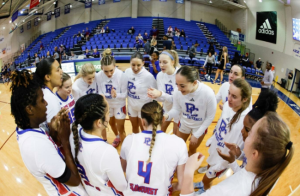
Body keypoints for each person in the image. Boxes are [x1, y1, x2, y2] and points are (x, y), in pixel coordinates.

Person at [10, 70, 87, 196]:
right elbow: (74, 180)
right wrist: (65, 140)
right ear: (29, 109)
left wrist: (52, 129)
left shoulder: (28, 128)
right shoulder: (36, 146)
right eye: (42, 101)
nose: (46, 104)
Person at [180, 112, 293, 196]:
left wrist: (189, 172)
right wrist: (232, 162)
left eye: (250, 133)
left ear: (254, 153)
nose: (243, 133)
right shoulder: (270, 173)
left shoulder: (226, 191)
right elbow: (245, 178)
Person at [120, 101, 188, 195]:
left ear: (142, 121)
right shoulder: (179, 143)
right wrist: (171, 188)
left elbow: (123, 168)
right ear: (163, 119)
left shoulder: (129, 140)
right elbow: (182, 184)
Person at [197, 79, 252, 192]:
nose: (229, 98)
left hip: (224, 158)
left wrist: (227, 162)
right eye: (229, 93)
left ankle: (205, 189)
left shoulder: (245, 120)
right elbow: (220, 123)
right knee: (208, 168)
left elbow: (239, 149)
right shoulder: (227, 104)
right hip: (216, 147)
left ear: (245, 99)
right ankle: (203, 184)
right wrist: (213, 137)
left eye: (234, 96)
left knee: (209, 176)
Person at [70, 94, 127, 195]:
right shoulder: (107, 151)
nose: (109, 116)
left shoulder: (73, 135)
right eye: (108, 112)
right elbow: (121, 186)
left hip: (90, 191)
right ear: (99, 123)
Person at [215, 89, 279, 175]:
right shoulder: (253, 144)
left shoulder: (259, 159)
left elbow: (243, 177)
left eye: (247, 129)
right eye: (243, 127)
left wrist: (232, 161)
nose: (242, 131)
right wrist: (239, 153)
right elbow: (245, 159)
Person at [164, 66, 217, 156]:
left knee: (192, 150)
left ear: (194, 82)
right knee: (178, 148)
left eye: (182, 86)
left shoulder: (208, 93)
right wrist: (167, 115)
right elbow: (176, 109)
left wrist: (197, 134)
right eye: (177, 84)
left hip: (199, 127)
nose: (179, 88)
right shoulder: (177, 91)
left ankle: (188, 168)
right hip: (184, 123)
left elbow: (210, 117)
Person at [96, 52, 128, 148]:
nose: (109, 74)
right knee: (111, 124)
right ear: (102, 68)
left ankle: (125, 148)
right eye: (106, 71)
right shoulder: (98, 76)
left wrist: (116, 95)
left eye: (111, 70)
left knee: (121, 128)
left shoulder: (121, 75)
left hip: (119, 104)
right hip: (108, 104)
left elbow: (125, 94)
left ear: (115, 66)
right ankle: (117, 137)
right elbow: (99, 91)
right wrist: (102, 95)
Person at [147, 50, 180, 135]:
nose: (161, 65)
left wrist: (161, 94)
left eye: (165, 62)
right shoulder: (160, 75)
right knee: (160, 132)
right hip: (167, 107)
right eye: (160, 61)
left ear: (173, 62)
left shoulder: (180, 74)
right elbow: (162, 99)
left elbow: (177, 100)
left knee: (176, 135)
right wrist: (155, 95)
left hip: (180, 109)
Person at [125, 52, 157, 133]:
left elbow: (156, 92)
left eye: (138, 65)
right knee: (134, 128)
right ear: (130, 63)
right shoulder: (127, 72)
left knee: (144, 130)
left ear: (143, 63)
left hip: (144, 108)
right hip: (132, 106)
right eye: (133, 65)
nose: (135, 68)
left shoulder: (148, 76)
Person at [34, 58, 62, 124]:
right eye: (58, 70)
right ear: (47, 77)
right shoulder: (50, 99)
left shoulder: (41, 91)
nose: (61, 71)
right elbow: (55, 132)